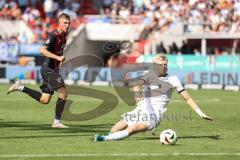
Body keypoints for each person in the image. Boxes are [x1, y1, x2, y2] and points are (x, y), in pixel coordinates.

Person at [94, 54, 213, 141]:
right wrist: (138, 99)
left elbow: (187, 98)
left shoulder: (174, 80)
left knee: (133, 128)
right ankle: (108, 137)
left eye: (166, 64)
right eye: (161, 65)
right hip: (141, 109)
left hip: (154, 114)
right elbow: (136, 86)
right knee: (115, 129)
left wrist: (200, 113)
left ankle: (104, 139)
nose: (164, 67)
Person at [7, 13, 71, 128]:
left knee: (44, 99)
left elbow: (58, 51)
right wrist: (57, 58)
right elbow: (42, 50)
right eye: (65, 23)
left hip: (53, 69)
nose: (67, 25)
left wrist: (59, 59)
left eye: (69, 23)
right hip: (48, 70)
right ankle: (57, 122)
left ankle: (20, 87)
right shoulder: (53, 35)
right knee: (63, 92)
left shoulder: (64, 36)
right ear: (59, 23)